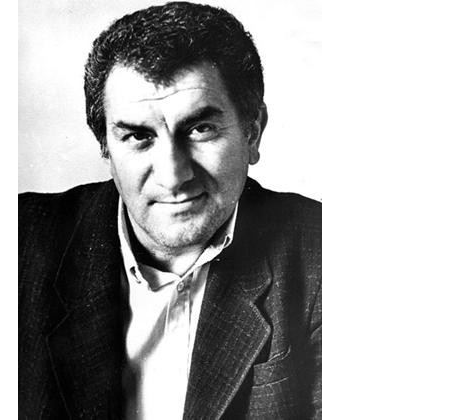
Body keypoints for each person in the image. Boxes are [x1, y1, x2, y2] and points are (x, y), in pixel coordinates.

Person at [19, 2, 321, 418]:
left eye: (200, 129)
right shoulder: (19, 244)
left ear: (252, 132)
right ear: (105, 147)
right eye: (138, 137)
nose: (173, 176)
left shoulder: (324, 256)